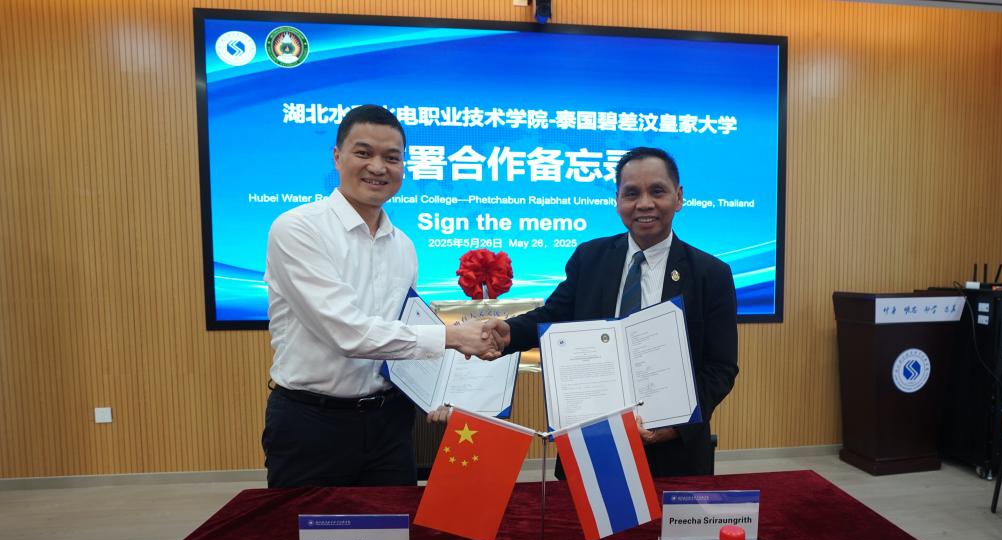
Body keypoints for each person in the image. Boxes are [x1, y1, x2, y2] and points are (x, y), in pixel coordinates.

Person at [263, 105, 500, 489]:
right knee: (310, 528)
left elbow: (402, 333)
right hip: (312, 423)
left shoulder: (403, 245)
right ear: (337, 157)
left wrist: (445, 389)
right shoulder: (297, 229)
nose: (378, 167)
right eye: (363, 153)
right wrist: (454, 337)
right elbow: (347, 333)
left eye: (391, 158)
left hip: (389, 422)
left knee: (393, 526)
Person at [485, 147, 738, 476]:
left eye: (657, 191)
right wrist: (509, 332)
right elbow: (553, 317)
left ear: (678, 197)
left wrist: (677, 426)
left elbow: (720, 369)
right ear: (617, 200)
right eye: (631, 193)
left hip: (673, 453)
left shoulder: (711, 274)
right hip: (592, 439)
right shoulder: (590, 257)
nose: (644, 204)